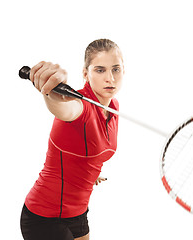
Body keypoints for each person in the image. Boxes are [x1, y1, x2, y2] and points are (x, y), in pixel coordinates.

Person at [20, 39, 124, 240]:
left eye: (116, 69)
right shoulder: (78, 106)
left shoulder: (114, 107)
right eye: (100, 70)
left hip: (78, 212)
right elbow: (63, 108)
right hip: (44, 215)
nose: (110, 78)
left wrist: (89, 171)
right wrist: (49, 90)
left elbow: (89, 147)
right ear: (86, 74)